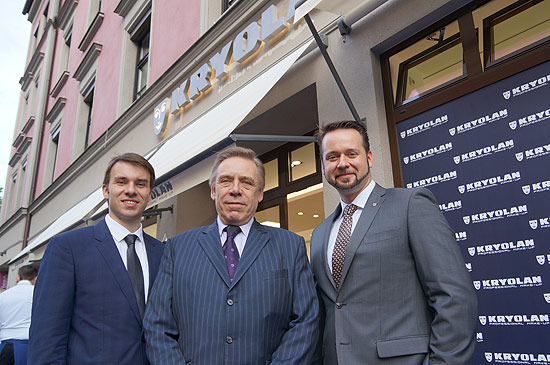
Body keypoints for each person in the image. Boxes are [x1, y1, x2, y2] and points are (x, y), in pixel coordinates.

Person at [310, 120, 478, 364]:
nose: (342, 163)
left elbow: (455, 297)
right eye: (332, 156)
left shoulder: (410, 205)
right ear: (324, 166)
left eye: (351, 153)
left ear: (369, 157)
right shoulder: (319, 234)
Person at [144, 146, 319, 364]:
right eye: (226, 180)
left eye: (247, 182)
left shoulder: (290, 246)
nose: (235, 189)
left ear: (260, 192)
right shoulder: (178, 248)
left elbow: (306, 320)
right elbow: (157, 325)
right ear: (213, 190)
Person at [29, 153, 164, 365]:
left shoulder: (163, 253)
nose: (131, 190)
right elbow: (47, 336)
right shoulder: (68, 248)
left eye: (141, 184)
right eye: (121, 182)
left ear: (149, 193)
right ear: (105, 190)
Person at [0, 265, 38, 365]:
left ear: (18, 277)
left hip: (5, 344)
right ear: (36, 278)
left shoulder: (3, 295)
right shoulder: (37, 293)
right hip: (28, 345)